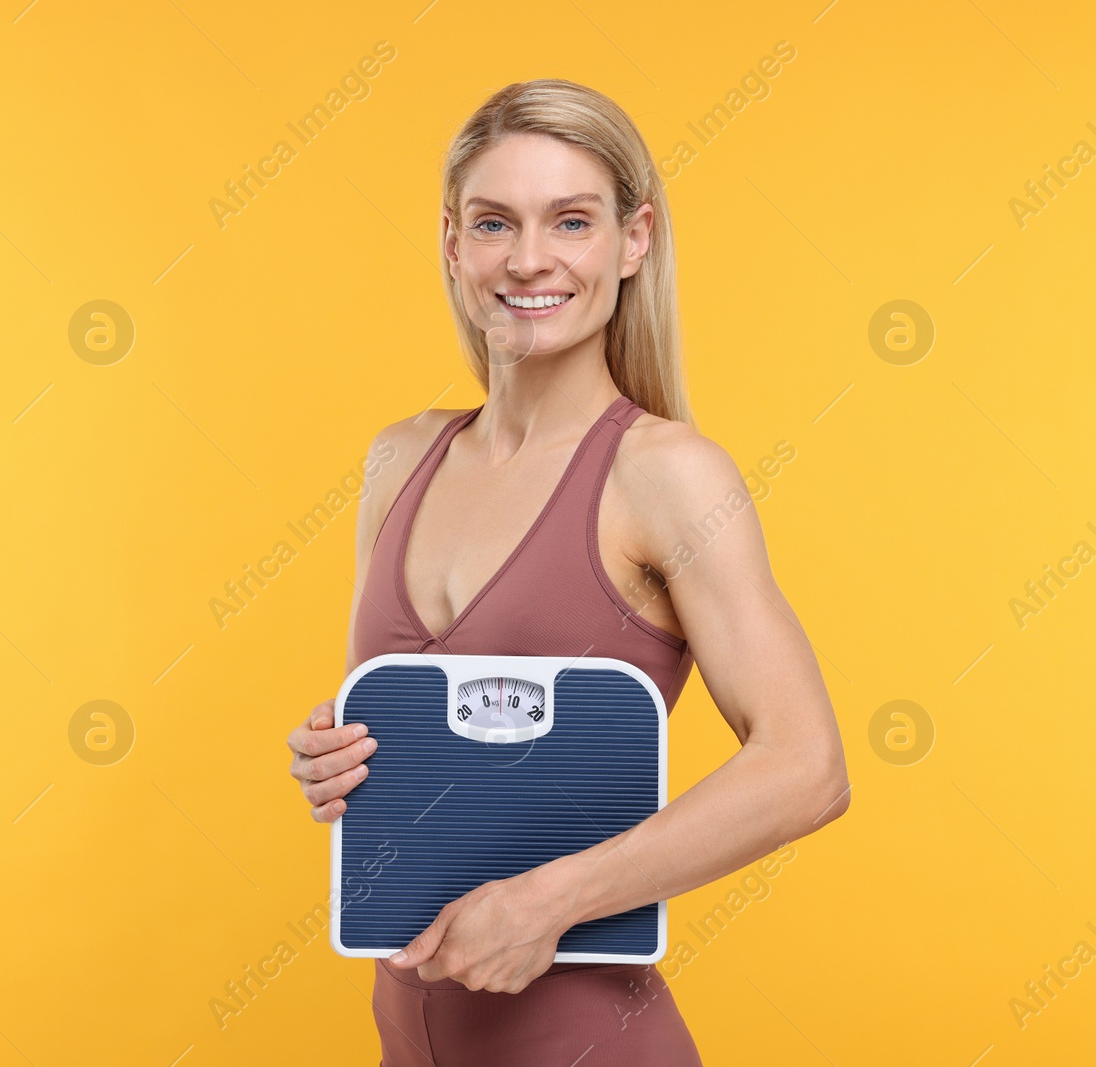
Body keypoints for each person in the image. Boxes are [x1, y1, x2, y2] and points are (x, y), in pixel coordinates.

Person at [285, 79, 851, 1066]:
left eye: (571, 220)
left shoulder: (665, 476)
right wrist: (331, 761)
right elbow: (394, 744)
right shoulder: (398, 458)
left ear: (633, 241)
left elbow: (807, 766)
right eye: (494, 221)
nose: (528, 257)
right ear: (453, 242)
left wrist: (548, 901)